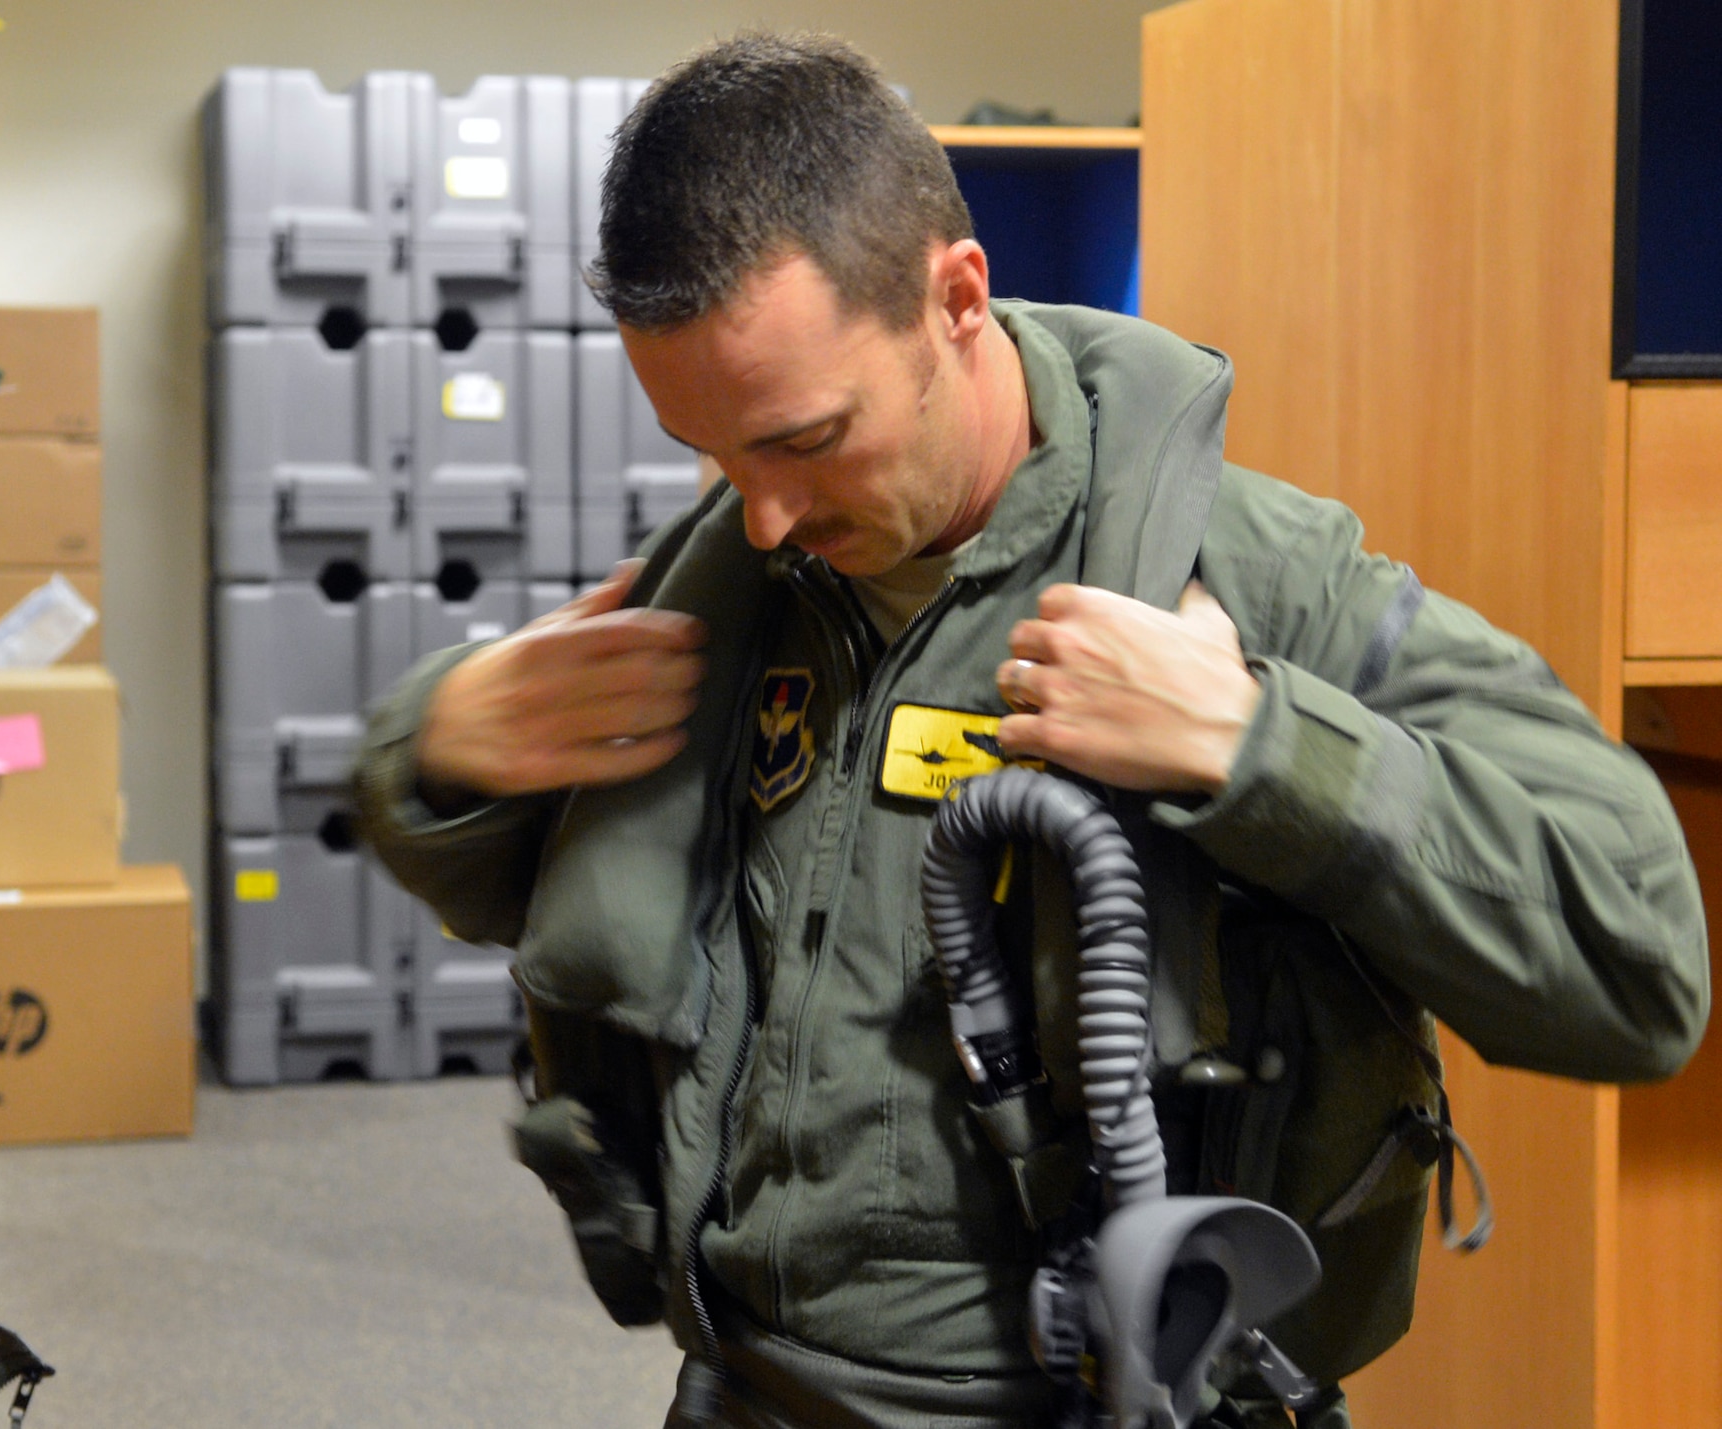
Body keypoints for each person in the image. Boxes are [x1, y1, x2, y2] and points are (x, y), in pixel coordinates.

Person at [357, 32, 1709, 1429]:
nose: (759, 514)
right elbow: (524, 870)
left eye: (808, 440)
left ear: (955, 298)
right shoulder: (742, 581)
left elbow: (1640, 958)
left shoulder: (1251, 582)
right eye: (715, 455)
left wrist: (1255, 744)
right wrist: (441, 743)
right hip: (746, 1389)